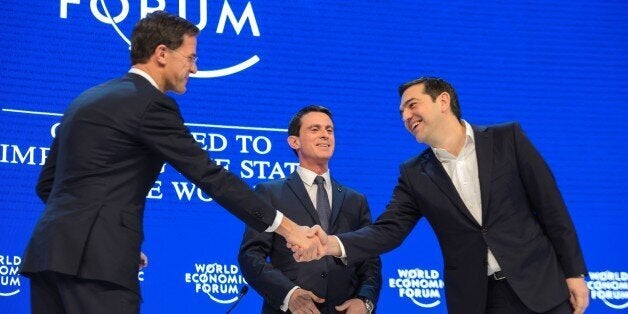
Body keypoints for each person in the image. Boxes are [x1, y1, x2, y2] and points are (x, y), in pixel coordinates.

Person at [19, 11, 320, 314]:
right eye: (190, 58)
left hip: (47, 256)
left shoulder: (85, 100)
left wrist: (103, 234)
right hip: (98, 267)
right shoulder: (151, 104)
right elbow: (210, 176)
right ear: (162, 53)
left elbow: (48, 184)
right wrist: (289, 229)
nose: (195, 68)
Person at [298, 77, 589, 314]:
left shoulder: (507, 139)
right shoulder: (414, 174)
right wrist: (332, 244)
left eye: (412, 106)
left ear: (443, 101)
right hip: (480, 300)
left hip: (541, 287)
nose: (406, 117)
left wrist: (574, 273)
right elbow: (388, 231)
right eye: (402, 113)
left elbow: (551, 207)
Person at [238, 105, 382, 314]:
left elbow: (370, 260)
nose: (325, 135)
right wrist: (289, 295)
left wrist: (365, 301)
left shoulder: (355, 200)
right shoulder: (270, 193)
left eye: (329, 130)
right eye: (315, 129)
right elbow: (251, 256)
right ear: (294, 141)